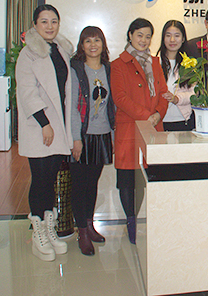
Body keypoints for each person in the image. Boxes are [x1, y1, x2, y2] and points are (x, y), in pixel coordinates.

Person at [16, 4, 72, 262]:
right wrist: (44, 123)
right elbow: (27, 91)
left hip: (57, 126)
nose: (50, 26)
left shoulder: (61, 49)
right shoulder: (28, 54)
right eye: (44, 21)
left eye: (54, 21)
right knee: (39, 179)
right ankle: (38, 232)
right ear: (35, 24)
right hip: (40, 126)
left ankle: (49, 230)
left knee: (50, 179)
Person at [111, 18, 168, 244]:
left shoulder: (155, 62)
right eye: (139, 35)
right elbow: (120, 98)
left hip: (153, 128)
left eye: (147, 36)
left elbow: (163, 93)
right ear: (130, 35)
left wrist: (158, 114)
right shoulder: (118, 64)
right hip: (130, 128)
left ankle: (137, 219)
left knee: (144, 176)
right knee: (127, 178)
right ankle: (130, 221)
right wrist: (148, 116)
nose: (143, 40)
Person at [69, 26, 115, 255]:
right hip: (83, 135)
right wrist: (75, 138)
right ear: (82, 45)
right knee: (80, 184)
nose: (93, 45)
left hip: (103, 133)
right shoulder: (76, 69)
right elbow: (71, 106)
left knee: (92, 183)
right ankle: (82, 232)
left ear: (103, 44)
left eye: (97, 40)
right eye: (88, 41)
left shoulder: (109, 69)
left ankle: (89, 225)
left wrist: (113, 136)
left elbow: (112, 105)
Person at [157, 20, 195, 131]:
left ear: (183, 39)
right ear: (163, 38)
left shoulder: (189, 64)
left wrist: (177, 99)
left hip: (183, 120)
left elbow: (195, 93)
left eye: (177, 36)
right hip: (159, 121)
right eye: (168, 35)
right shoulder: (154, 62)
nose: (172, 40)